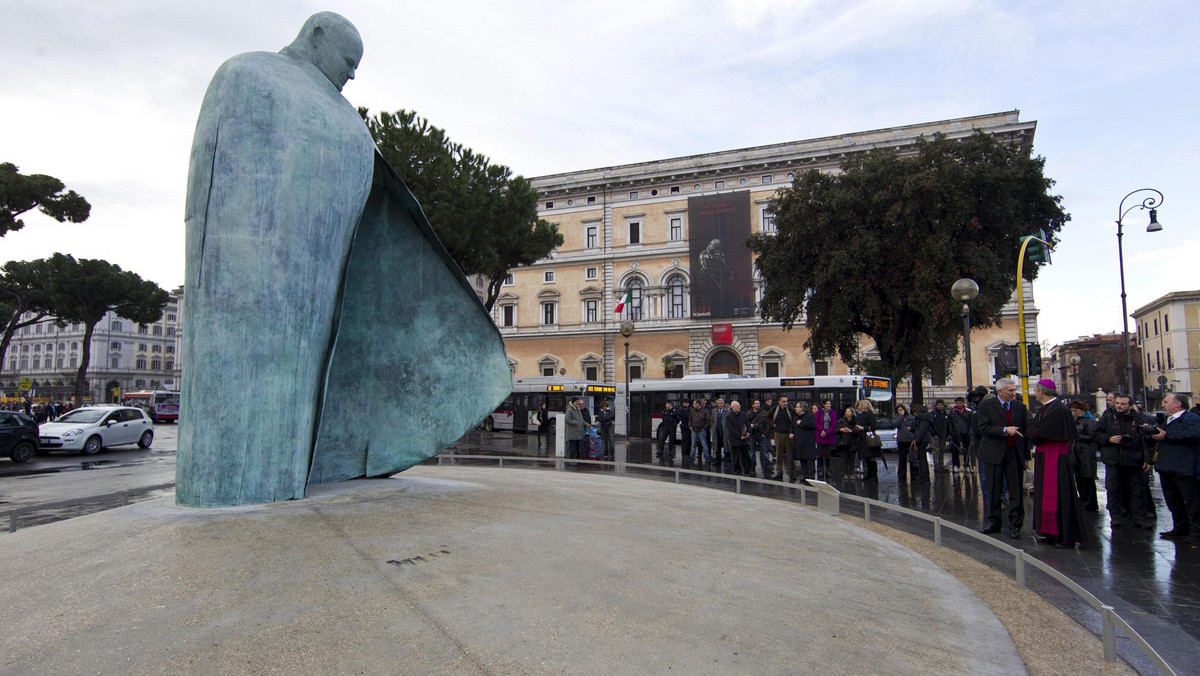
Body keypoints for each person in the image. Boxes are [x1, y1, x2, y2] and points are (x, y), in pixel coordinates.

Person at [1030, 380, 1086, 547]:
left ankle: (1065, 535)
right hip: (1046, 456)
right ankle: (1050, 532)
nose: (1035, 393)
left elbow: (1040, 430)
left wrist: (1031, 432)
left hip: (1056, 459)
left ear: (1041, 391)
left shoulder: (1058, 409)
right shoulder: (1048, 408)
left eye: (1036, 390)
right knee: (1045, 494)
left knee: (1060, 495)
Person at [976, 378, 1029, 538]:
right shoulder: (986, 406)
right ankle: (994, 521)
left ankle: (1015, 524)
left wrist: (1026, 457)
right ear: (1000, 391)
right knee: (994, 488)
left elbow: (1025, 433)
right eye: (1010, 390)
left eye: (1014, 390)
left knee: (1015, 489)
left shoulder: (1020, 408)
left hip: (1014, 453)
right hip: (994, 452)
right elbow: (983, 428)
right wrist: (1004, 430)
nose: (1014, 393)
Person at [1098, 393, 1155, 529]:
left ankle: (1139, 517)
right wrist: (1108, 439)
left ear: (1130, 405)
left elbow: (1147, 442)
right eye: (1117, 403)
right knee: (1113, 490)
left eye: (1123, 404)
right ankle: (1116, 517)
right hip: (1113, 460)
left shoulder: (1140, 419)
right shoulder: (1107, 418)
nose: (1119, 406)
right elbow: (1096, 434)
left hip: (1134, 460)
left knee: (1138, 491)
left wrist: (1148, 460)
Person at [1149, 393, 1200, 543]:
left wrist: (1167, 435)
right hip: (1166, 467)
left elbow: (1194, 434)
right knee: (1173, 500)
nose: (1163, 404)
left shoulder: (1192, 419)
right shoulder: (1166, 420)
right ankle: (1180, 527)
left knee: (1193, 502)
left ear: (1178, 404)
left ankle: (1196, 533)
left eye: (1166, 402)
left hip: (1184, 467)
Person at [1068, 400, 1100, 511]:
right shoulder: (1077, 420)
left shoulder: (1089, 421)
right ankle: (1083, 500)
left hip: (1086, 453)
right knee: (1080, 478)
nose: (1073, 413)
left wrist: (1077, 436)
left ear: (1082, 410)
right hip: (1077, 453)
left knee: (1087, 479)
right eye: (1071, 411)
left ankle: (1089, 503)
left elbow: (1092, 437)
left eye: (1075, 410)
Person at [769, 395, 796, 481]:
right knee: (779, 454)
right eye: (783, 401)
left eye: (786, 401)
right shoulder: (774, 409)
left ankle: (792, 474)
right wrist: (772, 424)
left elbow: (795, 417)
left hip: (787, 433)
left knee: (790, 455)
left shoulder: (790, 409)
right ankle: (779, 472)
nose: (785, 403)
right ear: (779, 402)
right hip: (778, 433)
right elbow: (765, 417)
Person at [723, 400, 752, 476]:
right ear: (733, 407)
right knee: (735, 456)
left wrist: (748, 432)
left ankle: (747, 470)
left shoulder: (743, 414)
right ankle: (737, 470)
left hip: (744, 439)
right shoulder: (728, 417)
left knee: (746, 456)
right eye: (737, 406)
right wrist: (739, 436)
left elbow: (748, 424)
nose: (739, 407)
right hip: (735, 440)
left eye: (739, 405)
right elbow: (731, 429)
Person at [908, 403, 934, 483]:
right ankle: (924, 476)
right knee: (922, 458)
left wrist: (916, 439)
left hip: (922, 439)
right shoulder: (925, 417)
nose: (914, 414)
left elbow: (921, 430)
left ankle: (924, 477)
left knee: (922, 458)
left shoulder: (923, 418)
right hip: (924, 438)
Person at [856, 399, 880, 481]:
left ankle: (874, 475)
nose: (858, 407)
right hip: (863, 438)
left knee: (871, 457)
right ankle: (869, 474)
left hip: (868, 438)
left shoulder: (870, 415)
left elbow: (874, 427)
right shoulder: (863, 415)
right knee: (866, 457)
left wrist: (862, 428)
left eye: (859, 405)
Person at [793, 401, 817, 481]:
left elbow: (812, 424)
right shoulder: (795, 416)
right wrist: (791, 433)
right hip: (799, 442)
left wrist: (802, 423)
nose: (795, 408)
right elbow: (792, 426)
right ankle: (805, 475)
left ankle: (811, 476)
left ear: (802, 408)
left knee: (809, 459)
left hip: (808, 441)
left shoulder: (810, 416)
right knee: (802, 459)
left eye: (797, 407)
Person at [836, 407, 861, 480]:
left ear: (852, 413)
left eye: (849, 412)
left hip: (852, 442)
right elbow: (836, 430)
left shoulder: (856, 421)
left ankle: (851, 473)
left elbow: (858, 432)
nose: (847, 413)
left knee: (852, 459)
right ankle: (846, 473)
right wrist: (841, 430)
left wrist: (850, 431)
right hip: (843, 442)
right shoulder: (842, 421)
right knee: (845, 459)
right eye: (846, 412)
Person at [814, 399, 837, 478]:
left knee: (828, 454)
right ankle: (820, 469)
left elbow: (833, 425)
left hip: (829, 436)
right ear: (823, 404)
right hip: (820, 435)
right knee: (820, 453)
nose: (829, 405)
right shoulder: (819, 413)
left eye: (829, 404)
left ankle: (827, 469)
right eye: (827, 404)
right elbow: (816, 424)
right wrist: (822, 431)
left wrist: (826, 432)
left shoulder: (833, 413)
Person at [750, 399, 773, 478]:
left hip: (761, 434)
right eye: (756, 403)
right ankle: (752, 466)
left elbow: (767, 423)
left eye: (759, 403)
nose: (758, 405)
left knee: (764, 450)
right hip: (752, 435)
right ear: (753, 405)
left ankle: (767, 465)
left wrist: (765, 434)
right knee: (752, 451)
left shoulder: (763, 413)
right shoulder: (749, 414)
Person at [688, 399, 712, 466]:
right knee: (693, 445)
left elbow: (708, 420)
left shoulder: (705, 411)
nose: (693, 405)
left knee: (704, 444)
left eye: (694, 404)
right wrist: (690, 426)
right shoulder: (693, 411)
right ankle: (692, 457)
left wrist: (704, 428)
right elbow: (690, 419)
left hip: (701, 430)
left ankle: (707, 458)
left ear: (698, 404)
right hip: (694, 429)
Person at [894, 404, 914, 481]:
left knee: (912, 458)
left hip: (910, 439)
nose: (900, 411)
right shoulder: (897, 418)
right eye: (898, 410)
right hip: (901, 439)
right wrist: (900, 417)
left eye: (901, 410)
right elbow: (895, 424)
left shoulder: (910, 417)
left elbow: (914, 425)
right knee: (902, 458)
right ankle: (902, 475)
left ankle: (913, 475)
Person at [931, 400, 950, 473]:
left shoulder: (945, 414)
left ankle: (941, 465)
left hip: (943, 435)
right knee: (936, 450)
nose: (940, 406)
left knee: (942, 450)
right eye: (938, 405)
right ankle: (937, 466)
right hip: (936, 434)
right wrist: (933, 432)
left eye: (941, 405)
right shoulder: (933, 414)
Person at [712, 398, 728, 471]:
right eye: (718, 403)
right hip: (716, 431)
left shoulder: (727, 411)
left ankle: (727, 460)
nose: (720, 404)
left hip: (724, 431)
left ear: (723, 404)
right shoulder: (714, 411)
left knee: (726, 446)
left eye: (721, 403)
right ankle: (717, 459)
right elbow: (712, 420)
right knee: (717, 446)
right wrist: (713, 427)